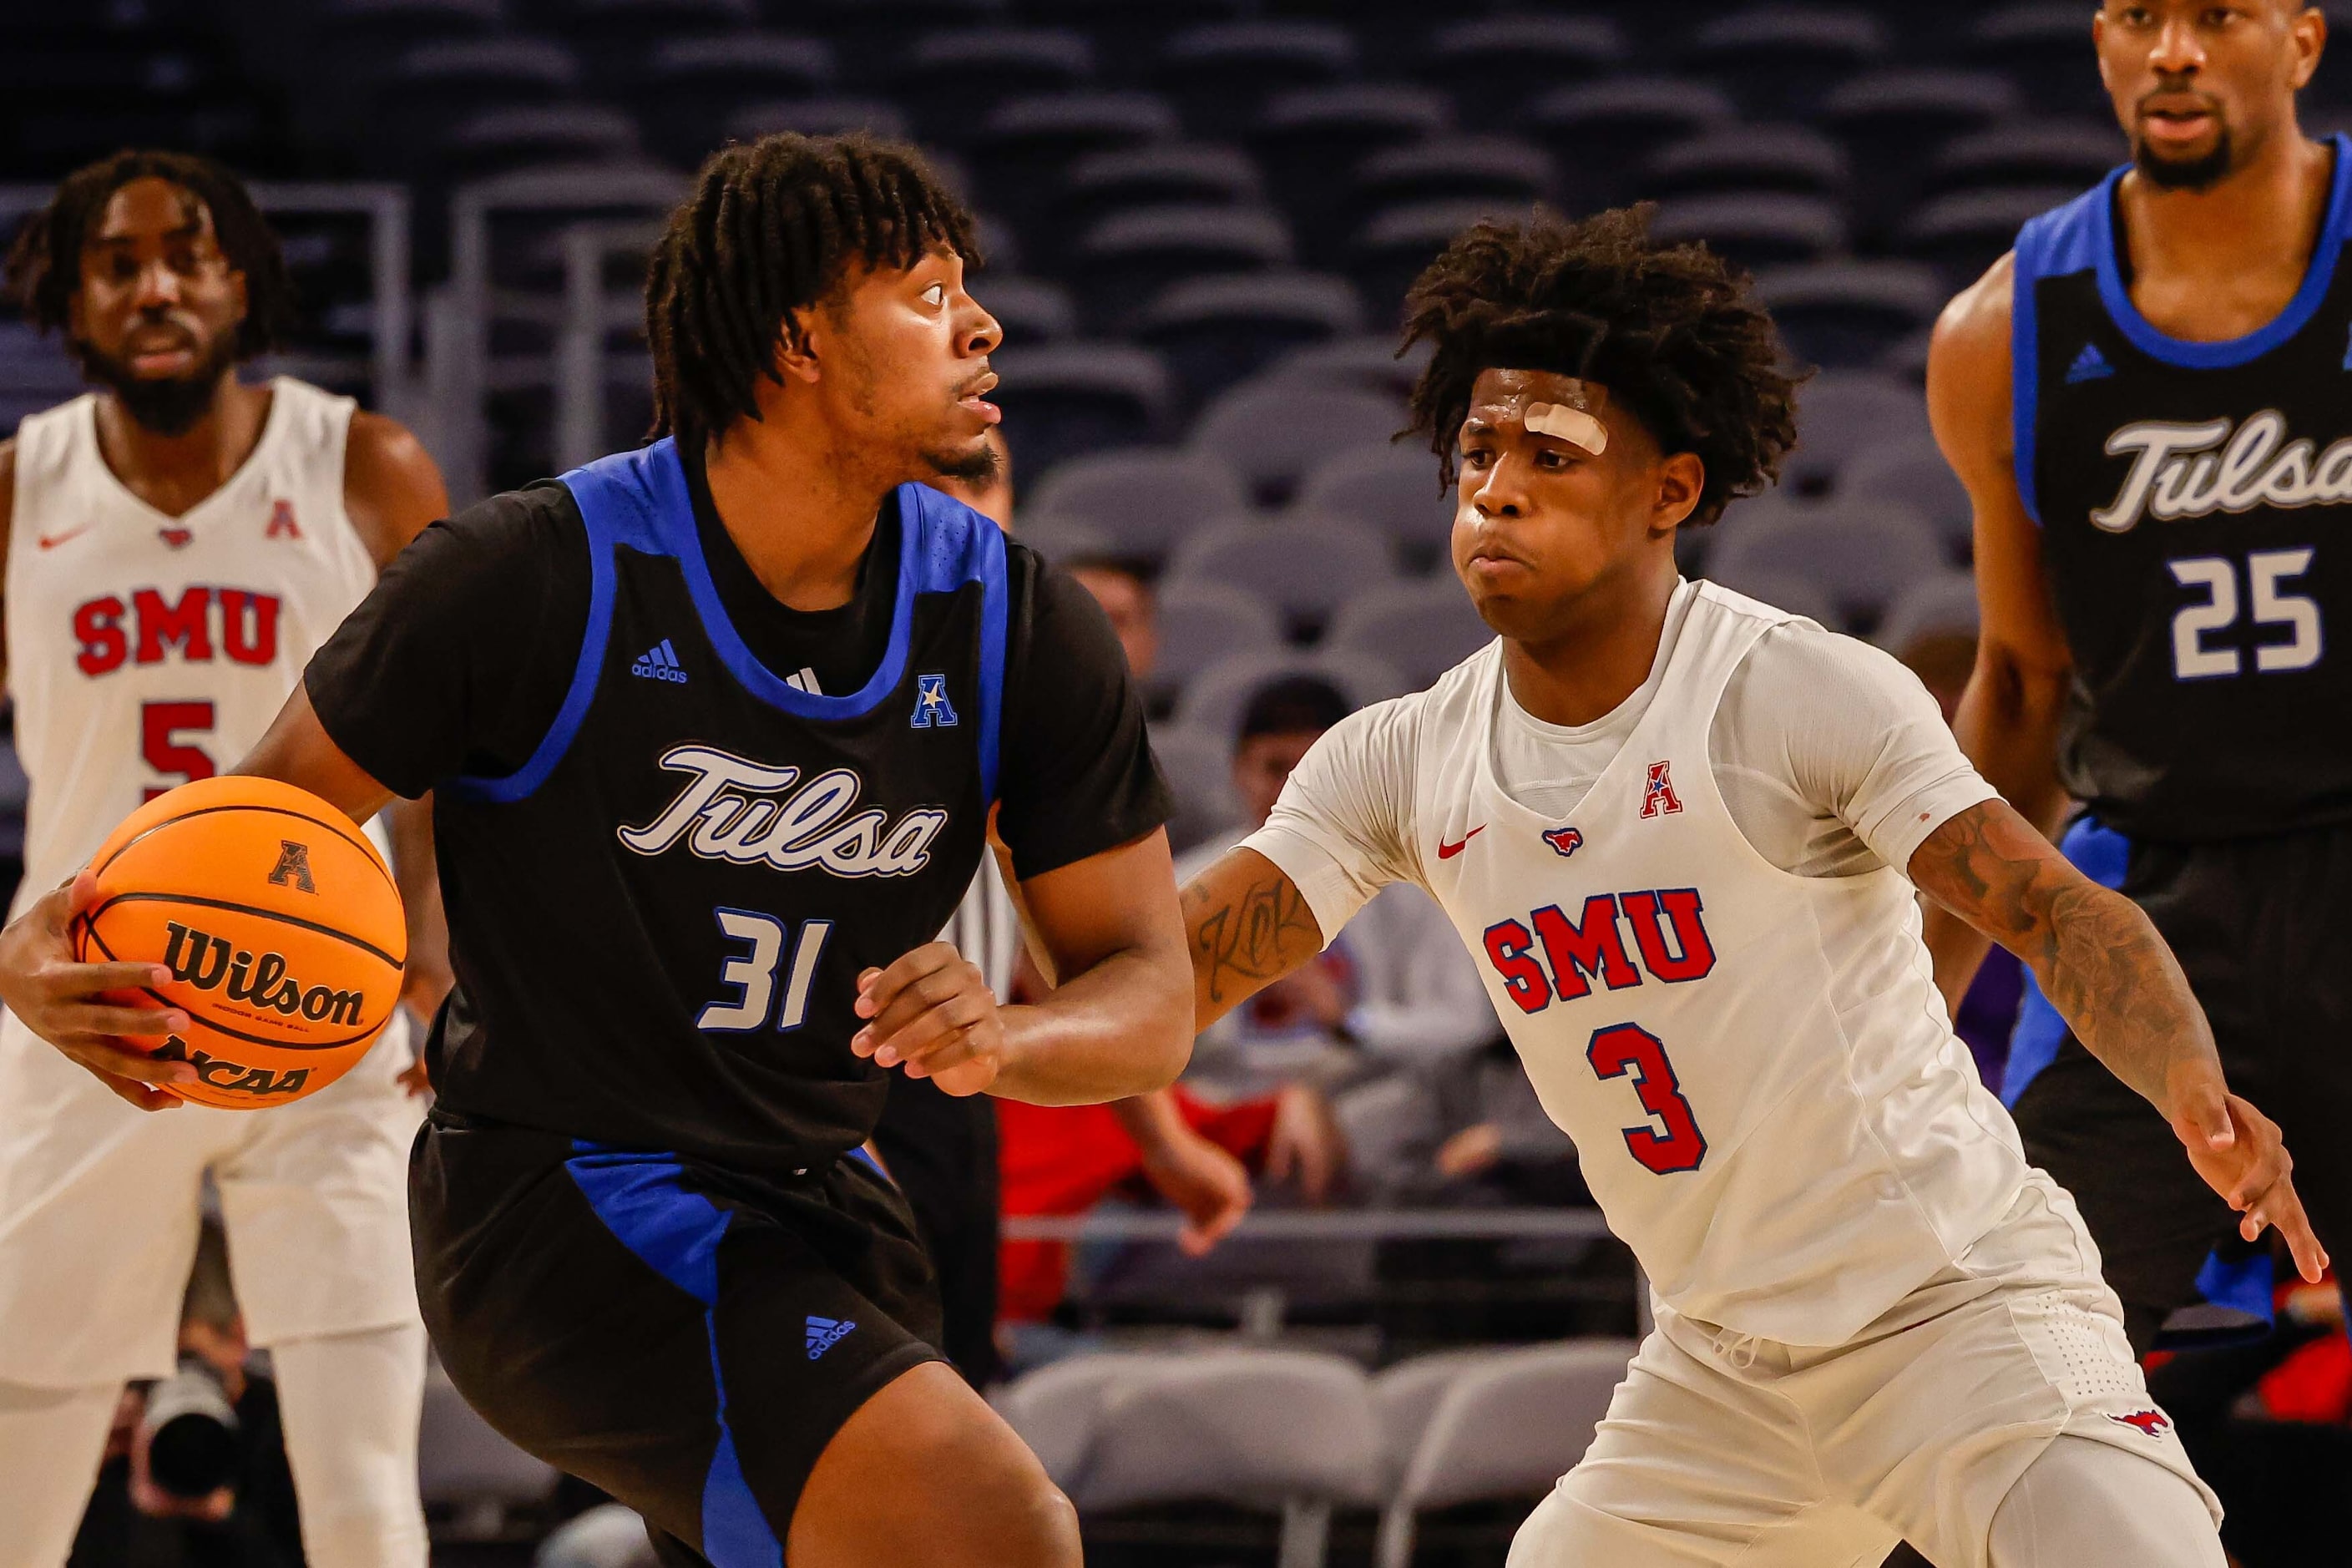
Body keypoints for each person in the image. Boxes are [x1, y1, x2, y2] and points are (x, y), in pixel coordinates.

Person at [0, 131, 1196, 1568]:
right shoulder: (530, 577)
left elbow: (1152, 994)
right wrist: (47, 939)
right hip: (563, 1201)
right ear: (799, 338)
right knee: (993, 1526)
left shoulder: (1015, 621)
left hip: (828, 1196)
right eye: (929, 289)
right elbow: (252, 825)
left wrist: (1013, 1036)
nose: (983, 324)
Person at [1171, 205, 2325, 1567]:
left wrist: (2187, 1085)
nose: (1492, 490)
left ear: (1668, 489)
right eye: (1476, 452)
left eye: (1549, 455)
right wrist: (985, 1023)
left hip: (1950, 1309)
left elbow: (2057, 907)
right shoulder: (1399, 756)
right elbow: (1162, 981)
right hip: (1723, 1367)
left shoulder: (1791, 689)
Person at [0, 150, 448, 1568]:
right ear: (70, 302)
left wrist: (438, 943)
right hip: (93, 1005)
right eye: (118, 263)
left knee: (365, 1474)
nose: (157, 286)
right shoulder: (20, 488)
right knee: (26, 1447)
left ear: (239, 280)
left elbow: (462, 735)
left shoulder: (364, 464)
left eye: (188, 254)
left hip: (326, 1000)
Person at [1925, 0, 2352, 1357]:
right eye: (2135, 16)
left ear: (2297, 39)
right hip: (2154, 908)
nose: (2170, 49)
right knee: (2010, 1371)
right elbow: (2017, 685)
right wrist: (1898, 1000)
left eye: (2214, 15)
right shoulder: (2004, 331)